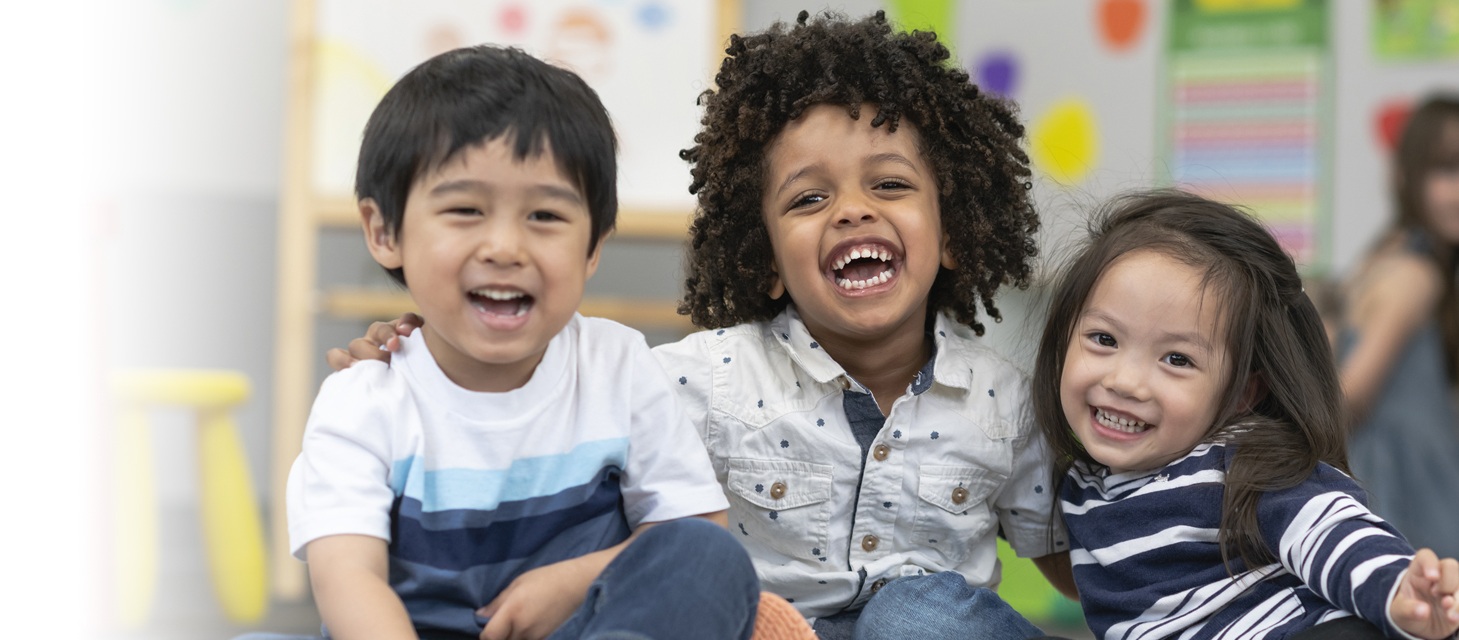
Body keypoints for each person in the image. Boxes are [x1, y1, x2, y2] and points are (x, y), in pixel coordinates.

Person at [329, 12, 1071, 640]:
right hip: (758, 627)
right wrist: (430, 360)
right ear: (767, 258)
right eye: (808, 199)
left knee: (916, 612)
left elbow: (1075, 567)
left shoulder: (1005, 404)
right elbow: (545, 400)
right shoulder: (698, 379)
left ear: (953, 231)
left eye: (890, 185)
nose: (852, 209)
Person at [259, 45, 762, 640]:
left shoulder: (616, 364)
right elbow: (350, 580)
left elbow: (694, 527)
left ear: (593, 247)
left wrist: (572, 581)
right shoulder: (363, 398)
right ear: (384, 231)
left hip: (586, 629)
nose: (505, 246)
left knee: (712, 559)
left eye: (545, 216)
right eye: (466, 209)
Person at [1030, 191, 1459, 640]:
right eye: (1104, 339)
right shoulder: (1073, 484)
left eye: (1177, 360)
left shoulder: (1240, 461)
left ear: (1242, 393)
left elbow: (1330, 527)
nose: (1125, 382)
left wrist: (1399, 594)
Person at [1336, 96, 1459, 579]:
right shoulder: (1417, 275)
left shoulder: (1388, 253)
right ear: (1405, 176)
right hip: (1399, 491)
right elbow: (1348, 396)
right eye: (1449, 170)